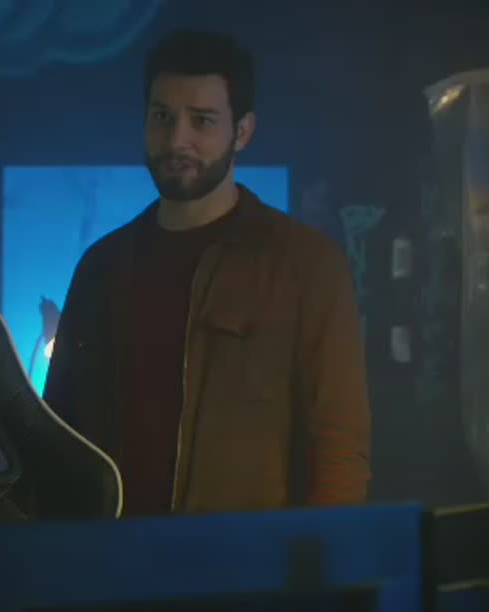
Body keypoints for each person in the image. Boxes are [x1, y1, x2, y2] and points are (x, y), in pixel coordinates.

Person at [44, 30, 371, 516]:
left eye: (202, 120)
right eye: (162, 117)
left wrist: (321, 558)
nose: (177, 139)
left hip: (249, 561)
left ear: (242, 131)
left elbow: (339, 450)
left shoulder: (305, 267)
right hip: (112, 559)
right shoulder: (101, 268)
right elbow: (58, 438)